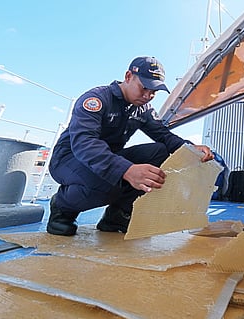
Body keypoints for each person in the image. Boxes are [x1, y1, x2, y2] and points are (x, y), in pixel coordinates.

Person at [47, 56, 214, 236]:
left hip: (107, 158)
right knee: (111, 181)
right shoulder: (97, 99)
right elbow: (84, 143)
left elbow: (164, 136)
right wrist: (126, 170)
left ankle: (117, 215)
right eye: (144, 88)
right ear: (128, 76)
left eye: (153, 92)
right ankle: (62, 207)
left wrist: (190, 149)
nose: (148, 96)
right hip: (70, 159)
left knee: (162, 152)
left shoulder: (143, 109)